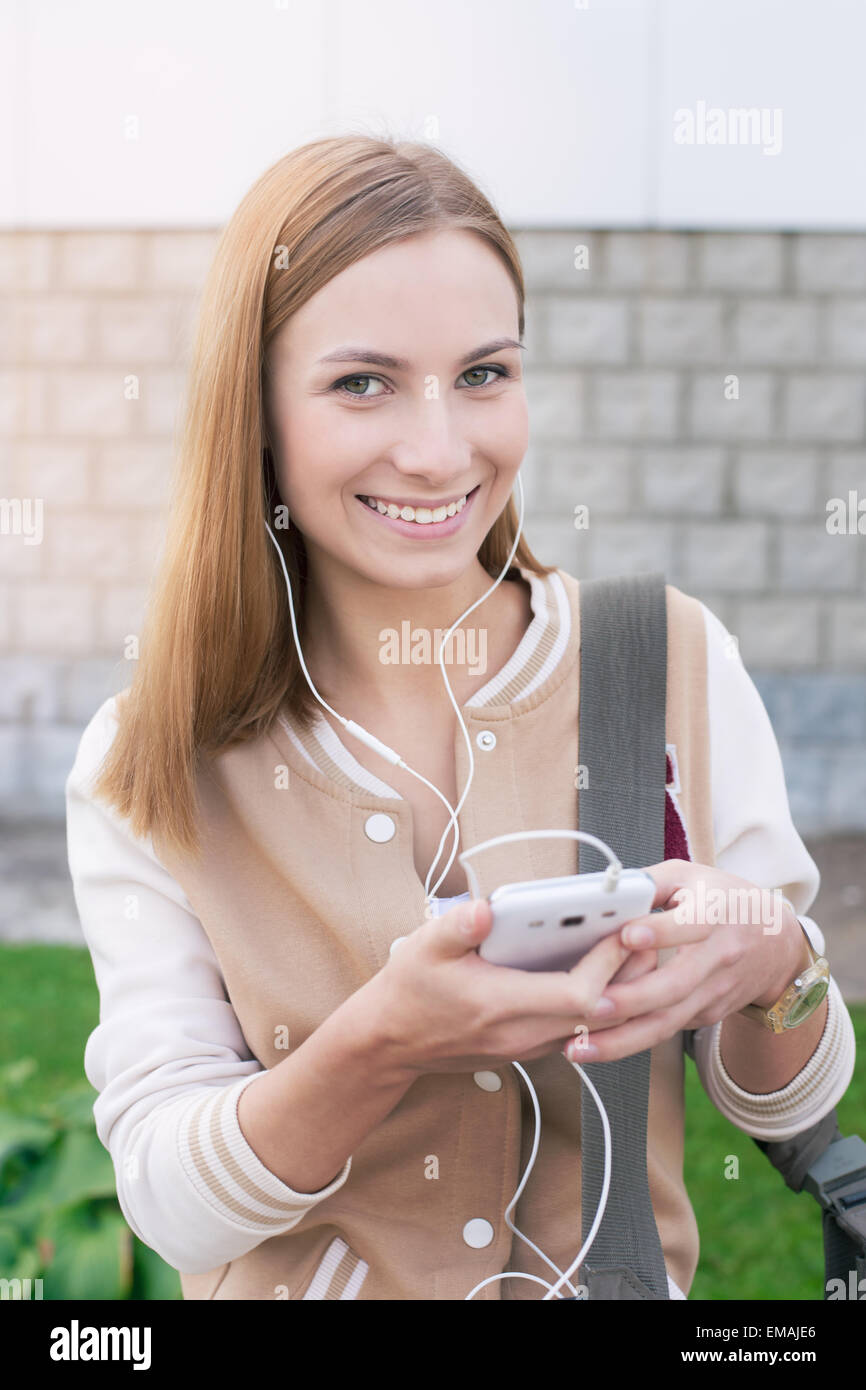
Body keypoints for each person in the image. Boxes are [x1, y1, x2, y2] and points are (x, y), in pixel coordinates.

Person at [66, 133, 855, 1301]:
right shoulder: (153, 758)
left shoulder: (665, 658)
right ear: (258, 415)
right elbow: (172, 1197)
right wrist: (379, 1040)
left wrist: (773, 963)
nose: (439, 452)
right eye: (361, 382)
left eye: (483, 373)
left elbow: (786, 1100)